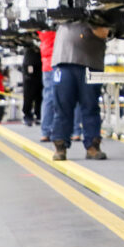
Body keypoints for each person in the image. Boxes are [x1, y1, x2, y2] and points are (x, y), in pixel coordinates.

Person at [50, 21, 110, 162]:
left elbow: (107, 31)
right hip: (63, 61)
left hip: (91, 63)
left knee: (90, 105)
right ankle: (60, 146)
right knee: (62, 105)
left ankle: (93, 146)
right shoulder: (65, 7)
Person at [21, 43, 43, 126]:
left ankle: (37, 115)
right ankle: (28, 115)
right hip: (30, 76)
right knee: (29, 97)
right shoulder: (30, 53)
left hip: (37, 74)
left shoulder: (32, 52)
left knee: (38, 96)